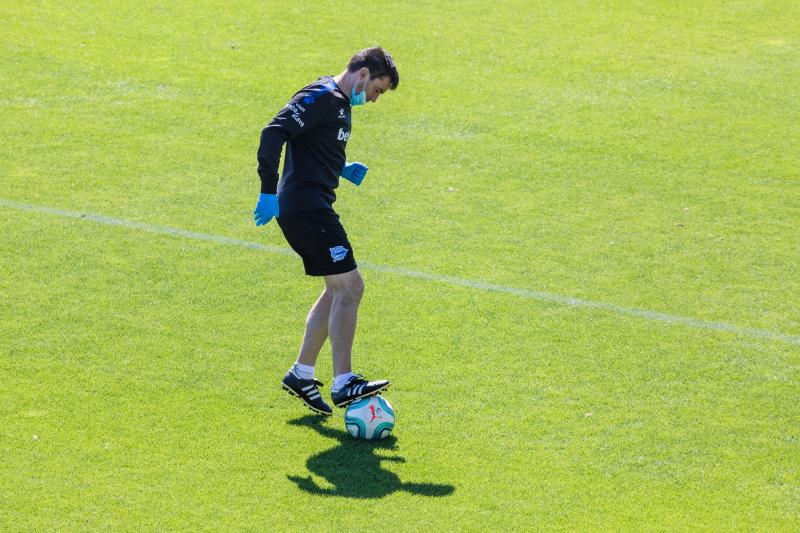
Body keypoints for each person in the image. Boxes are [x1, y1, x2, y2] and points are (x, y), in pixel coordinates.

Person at [253, 47, 400, 416]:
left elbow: (313, 144)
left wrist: (342, 166)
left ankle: (301, 373)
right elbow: (274, 133)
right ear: (363, 74)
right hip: (307, 209)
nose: (374, 99)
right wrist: (267, 191)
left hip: (312, 206)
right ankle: (344, 381)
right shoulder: (320, 96)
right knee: (351, 287)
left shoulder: (339, 103)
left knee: (336, 291)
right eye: (378, 90)